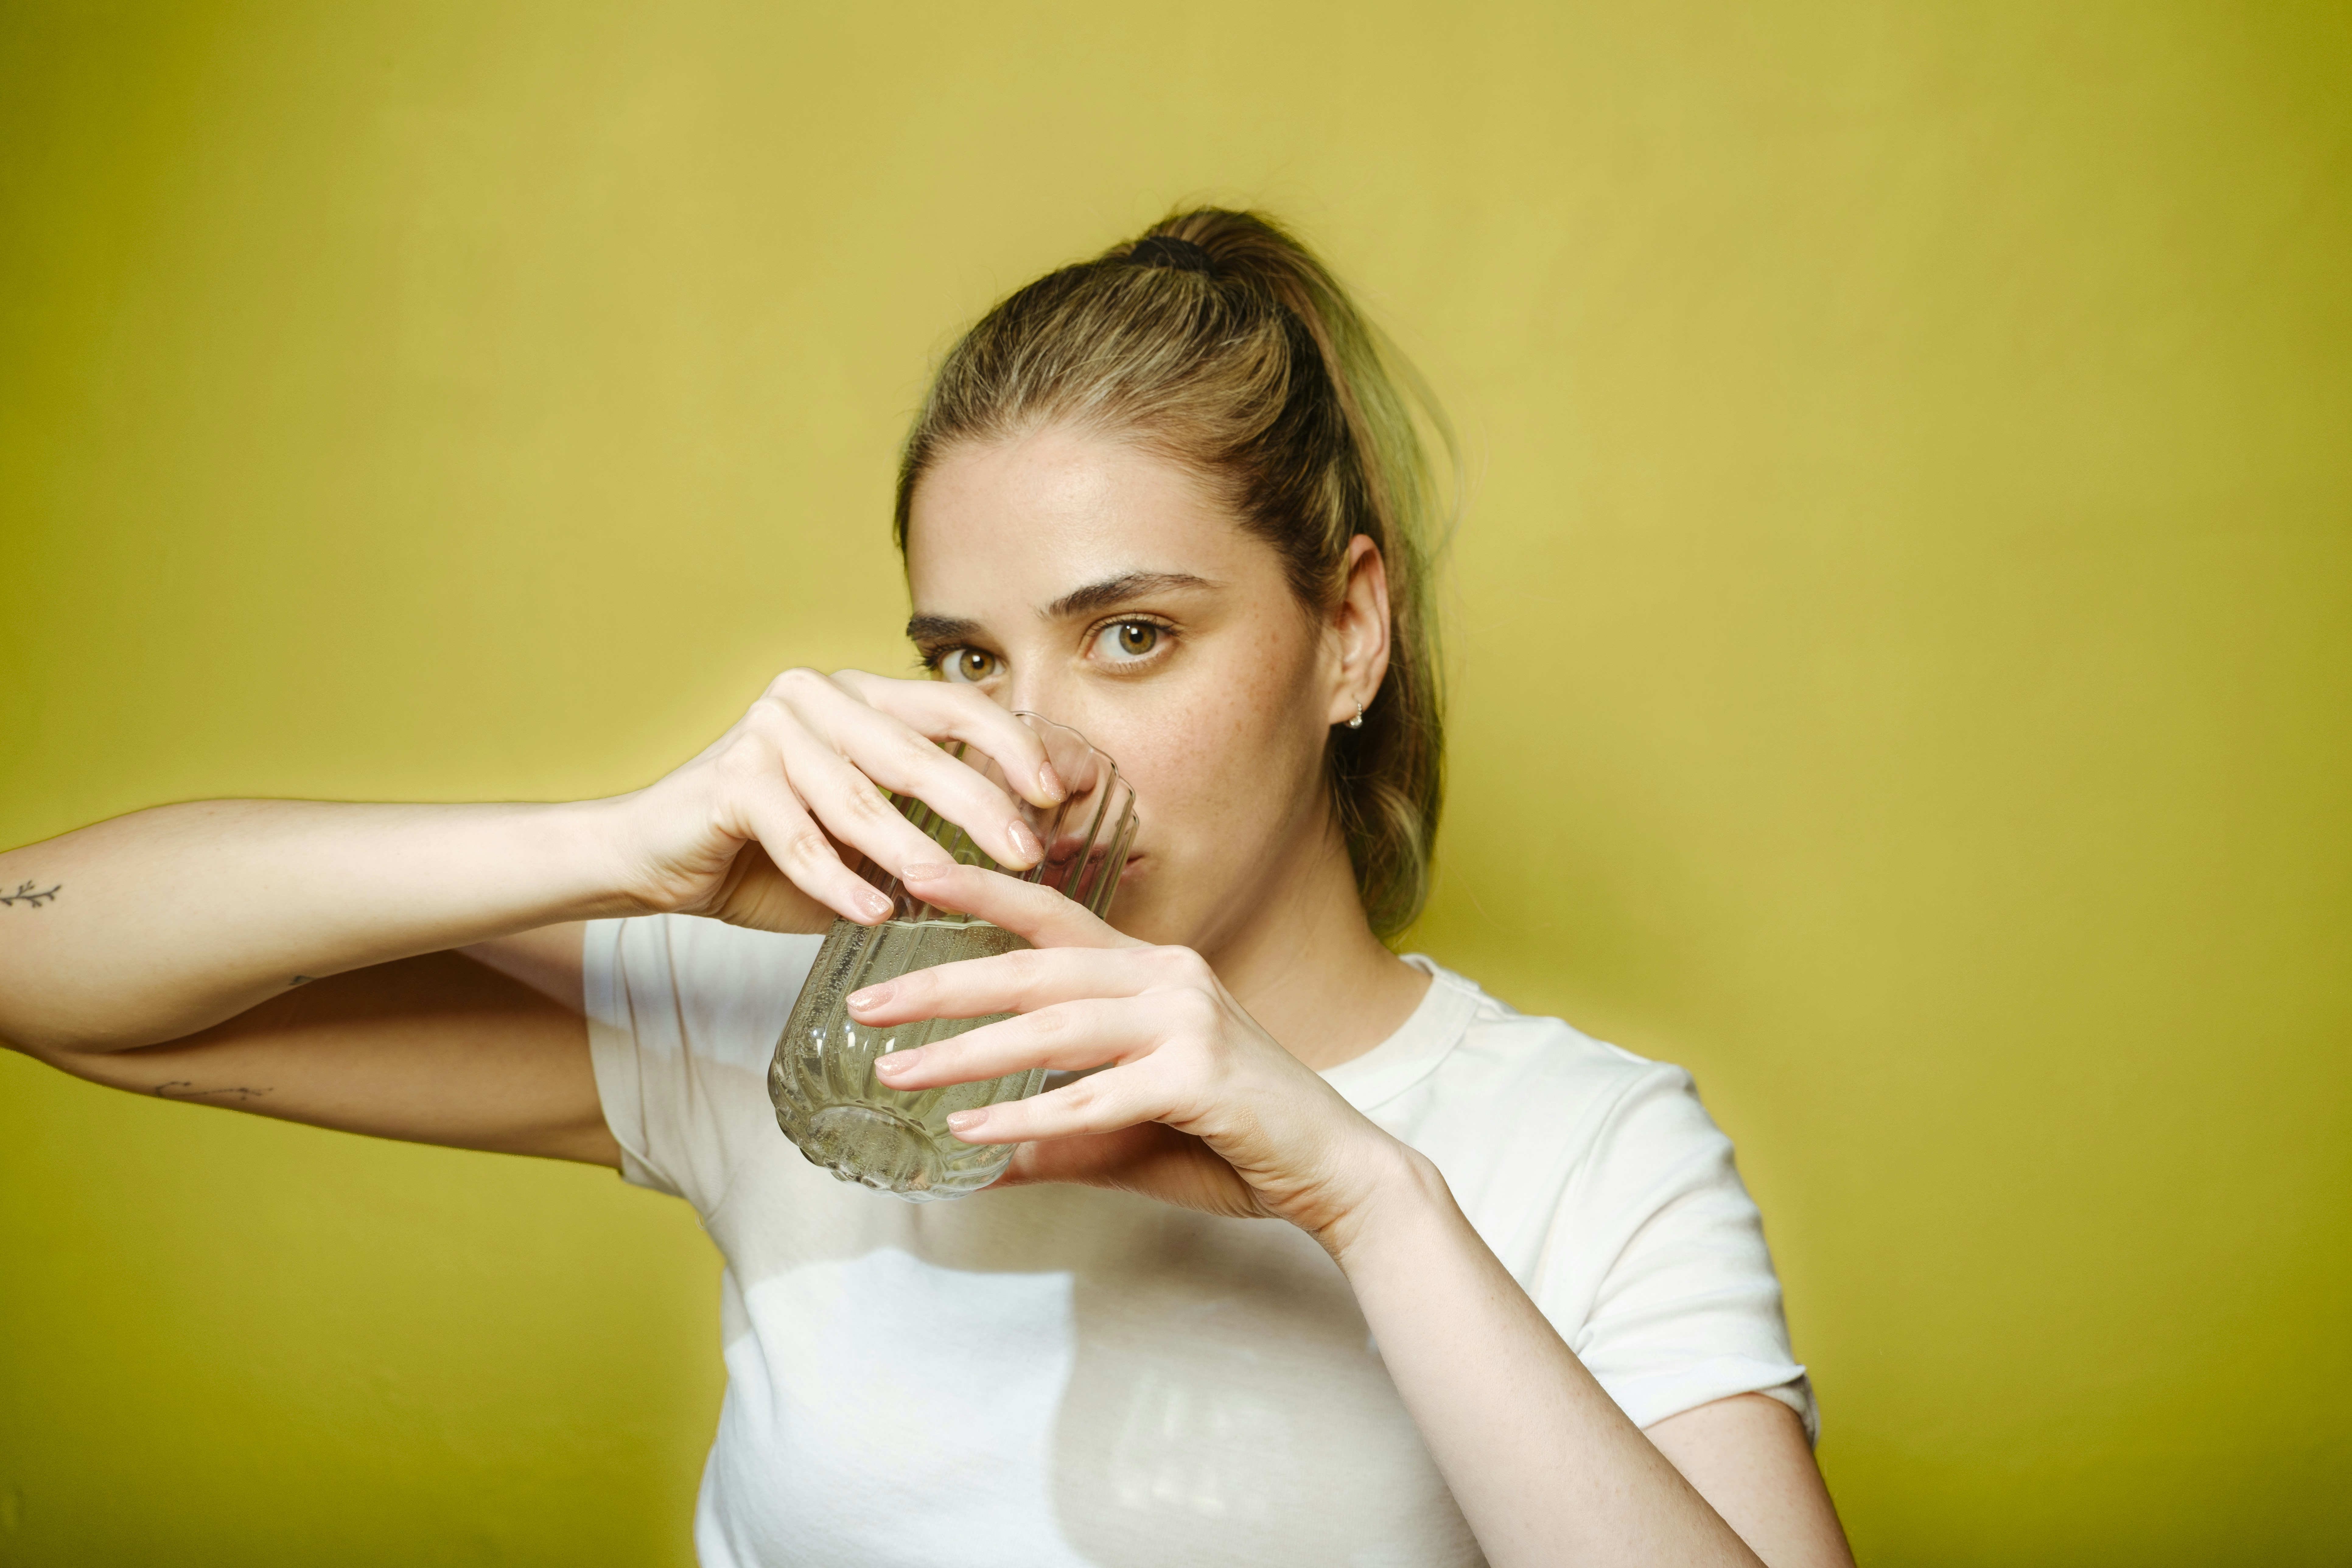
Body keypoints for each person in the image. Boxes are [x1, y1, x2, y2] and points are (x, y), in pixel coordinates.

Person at [0, 209, 1855, 1568]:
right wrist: (624, 845)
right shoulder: (832, 1043)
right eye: (969, 659)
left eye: (1133, 635)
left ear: (1347, 631)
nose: (1032, 755)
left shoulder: (1583, 1151)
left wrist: (1365, 1200)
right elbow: (48, 963)